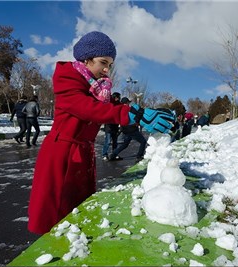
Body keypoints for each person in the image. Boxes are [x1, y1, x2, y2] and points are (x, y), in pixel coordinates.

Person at [27, 31, 175, 235]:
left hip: (82, 153)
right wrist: (135, 114)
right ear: (86, 60)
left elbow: (109, 106)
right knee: (56, 216)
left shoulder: (97, 87)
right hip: (62, 154)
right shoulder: (66, 81)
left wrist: (139, 111)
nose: (106, 70)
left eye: (110, 65)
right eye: (103, 62)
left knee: (78, 212)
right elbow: (89, 109)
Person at [109, 97, 147, 161]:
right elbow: (138, 112)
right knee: (143, 141)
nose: (129, 104)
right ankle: (139, 156)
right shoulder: (128, 109)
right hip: (132, 129)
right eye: (128, 102)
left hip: (124, 129)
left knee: (125, 144)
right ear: (126, 103)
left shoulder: (120, 109)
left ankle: (113, 155)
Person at [102, 92, 121, 160]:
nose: (117, 98)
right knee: (107, 141)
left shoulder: (119, 104)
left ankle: (114, 154)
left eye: (118, 97)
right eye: (116, 97)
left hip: (115, 126)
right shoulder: (110, 103)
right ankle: (104, 154)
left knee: (115, 141)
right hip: (109, 126)